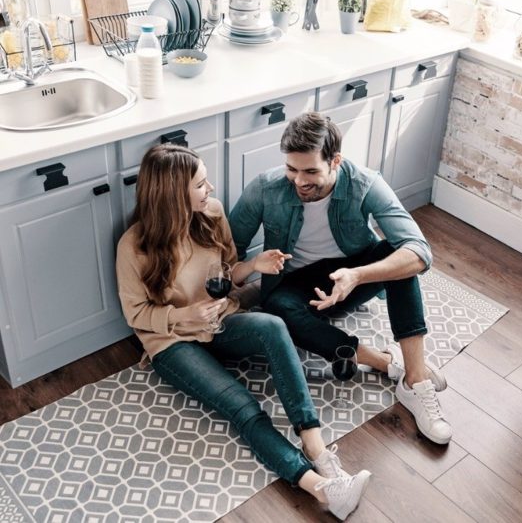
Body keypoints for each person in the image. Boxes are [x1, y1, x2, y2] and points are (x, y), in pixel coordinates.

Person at [115, 144, 370, 520]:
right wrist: (185, 314)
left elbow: (227, 272)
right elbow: (135, 314)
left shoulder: (211, 215)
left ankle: (317, 448)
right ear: (172, 194)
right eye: (202, 184)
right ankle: (323, 489)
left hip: (221, 323)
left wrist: (253, 265)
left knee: (273, 324)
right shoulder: (133, 246)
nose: (212, 188)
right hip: (172, 344)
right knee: (242, 406)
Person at [229, 112, 452, 445]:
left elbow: (420, 252)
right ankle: (384, 362)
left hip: (353, 276)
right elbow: (228, 249)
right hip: (299, 285)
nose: (299, 181)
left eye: (310, 171)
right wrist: (247, 271)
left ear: (335, 161)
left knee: (401, 256)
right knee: (276, 307)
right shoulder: (266, 188)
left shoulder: (365, 182)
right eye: (291, 169)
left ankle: (414, 381)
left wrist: (357, 275)